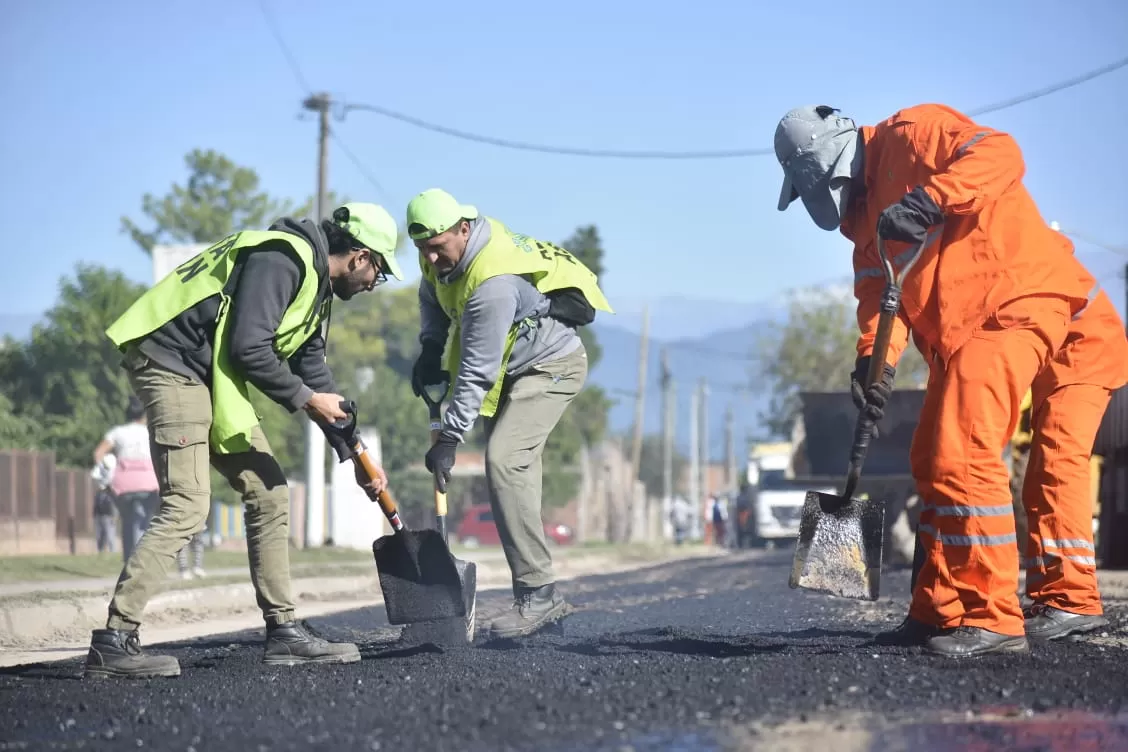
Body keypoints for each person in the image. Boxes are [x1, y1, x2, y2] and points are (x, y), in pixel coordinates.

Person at [774, 103, 1128, 657]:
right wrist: (875, 364)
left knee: (991, 455)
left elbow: (1000, 152)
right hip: (966, 331)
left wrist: (930, 198)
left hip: (1021, 305)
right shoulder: (861, 220)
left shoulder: (914, 132)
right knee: (932, 457)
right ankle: (939, 608)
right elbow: (878, 296)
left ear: (833, 161)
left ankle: (1001, 614)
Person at [84, 202, 402, 679]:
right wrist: (306, 400)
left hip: (210, 376)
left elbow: (313, 372)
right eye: (378, 271)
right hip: (172, 364)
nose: (374, 283)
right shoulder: (283, 259)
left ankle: (285, 632)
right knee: (188, 503)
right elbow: (249, 348)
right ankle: (114, 639)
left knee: (270, 491)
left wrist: (353, 452)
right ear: (359, 256)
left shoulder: (316, 289)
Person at [406, 188, 613, 639]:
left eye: (438, 247)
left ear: (463, 229)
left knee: (503, 460)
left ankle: (538, 596)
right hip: (514, 368)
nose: (432, 258)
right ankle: (539, 603)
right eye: (422, 249)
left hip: (552, 366)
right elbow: (432, 296)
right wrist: (429, 347)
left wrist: (448, 440)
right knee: (514, 476)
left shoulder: (491, 286)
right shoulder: (436, 256)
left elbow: (475, 373)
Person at [93, 397, 160, 560]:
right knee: (145, 522)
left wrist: (105, 473)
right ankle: (140, 560)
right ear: (144, 416)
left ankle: (128, 560)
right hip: (148, 484)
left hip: (122, 485)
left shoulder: (117, 432)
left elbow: (98, 453)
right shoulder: (151, 431)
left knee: (127, 521)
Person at [90, 456, 118, 554]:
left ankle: (112, 551)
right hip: (99, 513)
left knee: (109, 533)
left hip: (108, 513)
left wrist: (114, 515)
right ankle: (100, 551)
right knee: (99, 535)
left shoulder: (111, 492)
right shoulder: (99, 493)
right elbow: (95, 475)